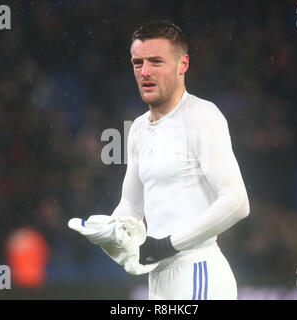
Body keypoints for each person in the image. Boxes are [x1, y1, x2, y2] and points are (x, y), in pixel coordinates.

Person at [111, 20, 250, 300]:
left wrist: (168, 246)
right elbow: (130, 204)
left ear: (182, 64)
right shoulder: (138, 128)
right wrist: (105, 231)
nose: (145, 72)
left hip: (198, 271)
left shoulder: (201, 116)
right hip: (159, 280)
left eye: (156, 61)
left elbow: (237, 202)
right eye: (138, 63)